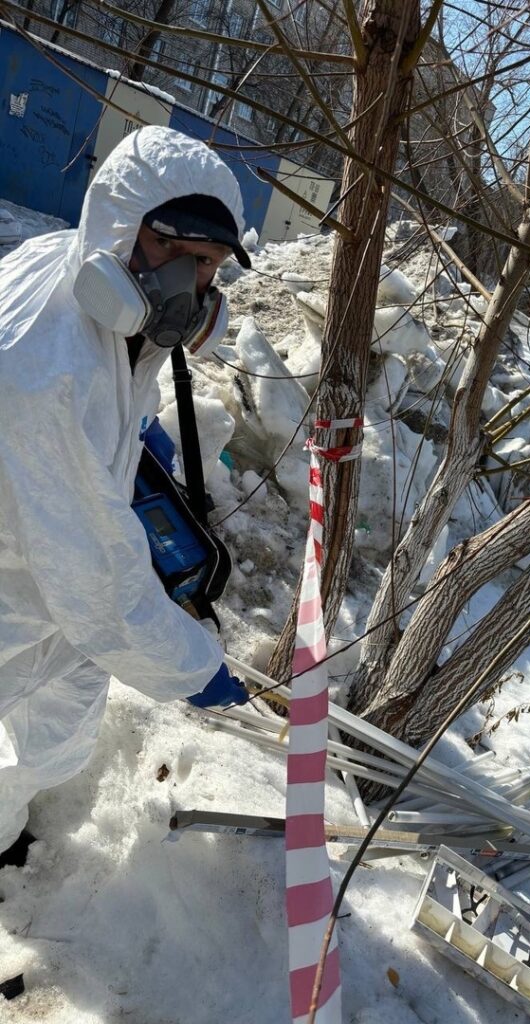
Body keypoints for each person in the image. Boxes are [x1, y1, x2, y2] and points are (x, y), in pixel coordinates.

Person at [0, 125, 252, 868]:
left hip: (41, 556)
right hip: (20, 576)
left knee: (65, 716)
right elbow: (99, 591)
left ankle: (11, 820)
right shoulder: (46, 373)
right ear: (119, 229)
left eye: (206, 266)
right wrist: (190, 666)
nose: (194, 285)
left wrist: (127, 442)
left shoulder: (71, 271)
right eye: (180, 254)